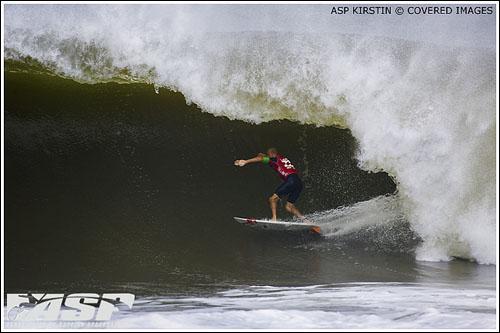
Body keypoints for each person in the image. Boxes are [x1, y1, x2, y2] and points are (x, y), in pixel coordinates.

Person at [234, 148, 305, 221]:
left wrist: (246, 161)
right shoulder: (282, 158)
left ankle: (274, 218)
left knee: (272, 199)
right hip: (298, 182)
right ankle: (305, 220)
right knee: (289, 206)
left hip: (291, 180)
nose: (268, 156)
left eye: (268, 154)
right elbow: (262, 156)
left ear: (272, 154)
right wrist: (262, 155)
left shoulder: (273, 159)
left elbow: (261, 158)